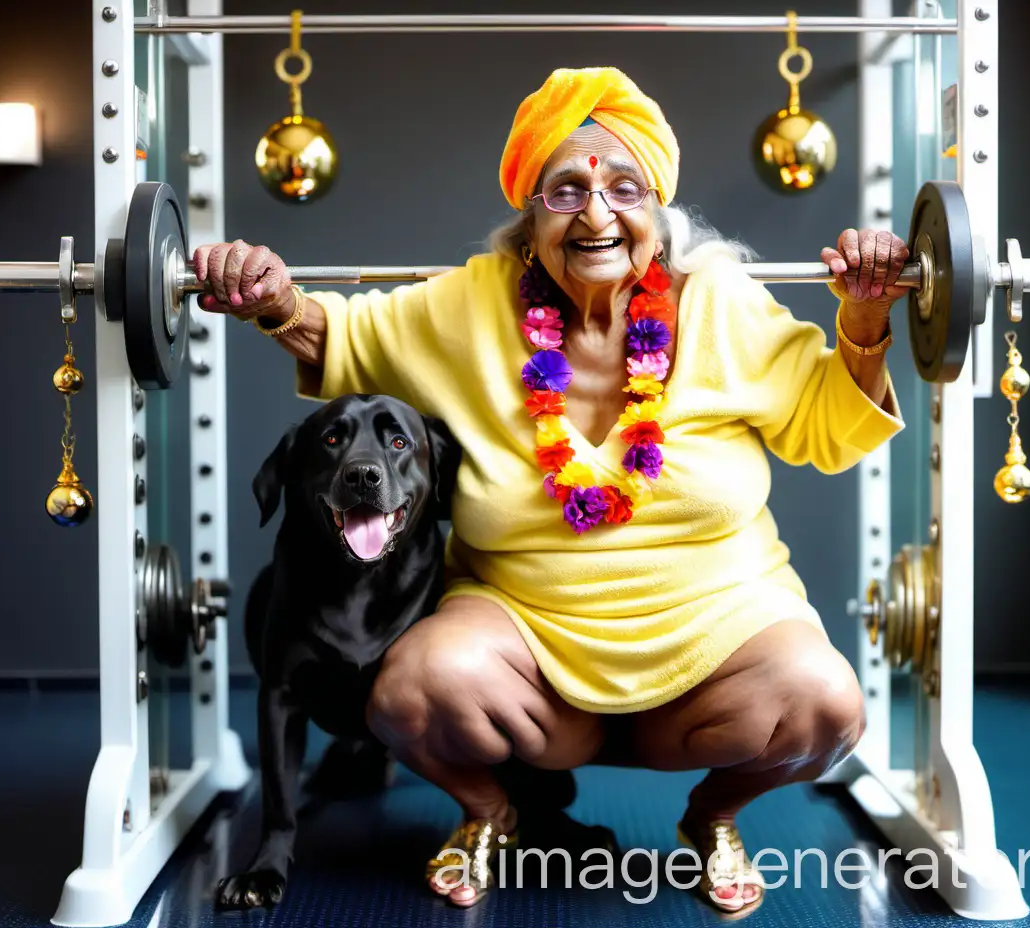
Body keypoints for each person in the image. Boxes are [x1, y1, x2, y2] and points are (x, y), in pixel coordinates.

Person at [195, 66, 906, 917]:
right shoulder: (466, 307)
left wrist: (864, 322)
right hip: (524, 646)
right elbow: (335, 332)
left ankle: (712, 817)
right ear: (530, 219)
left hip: (716, 639)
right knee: (413, 686)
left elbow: (828, 426)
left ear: (660, 211)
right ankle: (490, 811)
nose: (597, 213)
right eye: (566, 189)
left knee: (828, 704)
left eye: (624, 186)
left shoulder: (723, 304)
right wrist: (267, 296)